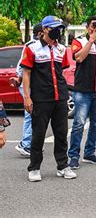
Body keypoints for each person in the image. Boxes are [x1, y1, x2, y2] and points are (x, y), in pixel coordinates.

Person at [21, 16, 77, 182]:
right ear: (45, 29)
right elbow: (26, 73)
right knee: (38, 134)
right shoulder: (33, 49)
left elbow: (62, 71)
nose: (58, 31)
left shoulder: (61, 49)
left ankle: (63, 166)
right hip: (41, 98)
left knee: (61, 134)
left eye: (60, 28)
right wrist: (27, 97)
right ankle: (34, 168)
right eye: (55, 28)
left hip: (60, 97)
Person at [68, 16, 96, 169]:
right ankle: (73, 156)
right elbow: (79, 58)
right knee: (79, 124)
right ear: (87, 27)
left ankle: (89, 153)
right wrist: (91, 40)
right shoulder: (79, 42)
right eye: (94, 24)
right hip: (83, 90)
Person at [9, 23, 43, 157]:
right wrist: (19, 81)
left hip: (33, 84)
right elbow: (22, 68)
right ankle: (25, 144)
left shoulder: (37, 45)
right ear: (41, 33)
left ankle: (30, 143)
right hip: (28, 84)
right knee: (31, 114)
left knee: (34, 115)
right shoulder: (32, 45)